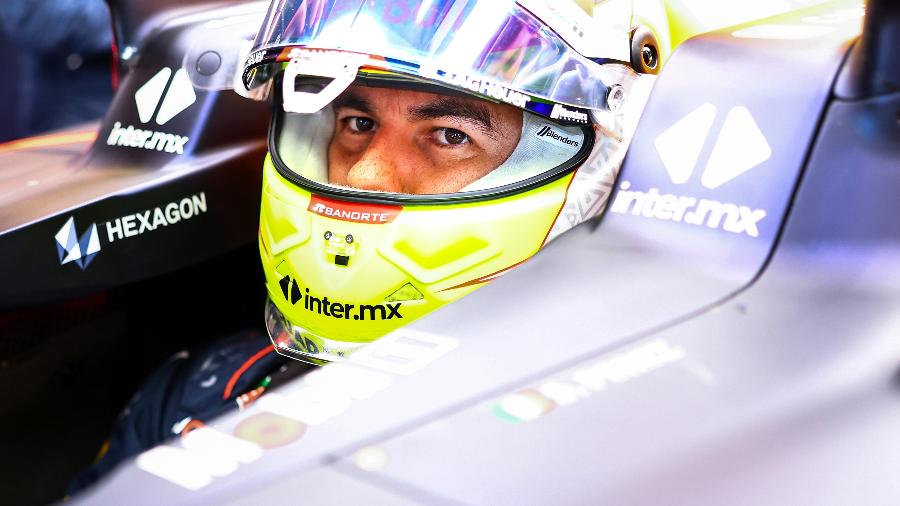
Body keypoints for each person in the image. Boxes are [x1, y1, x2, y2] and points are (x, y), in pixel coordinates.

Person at [71, 0, 652, 492]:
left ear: (594, 170)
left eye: (451, 135)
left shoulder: (618, 460)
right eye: (355, 123)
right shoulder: (195, 395)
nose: (367, 174)